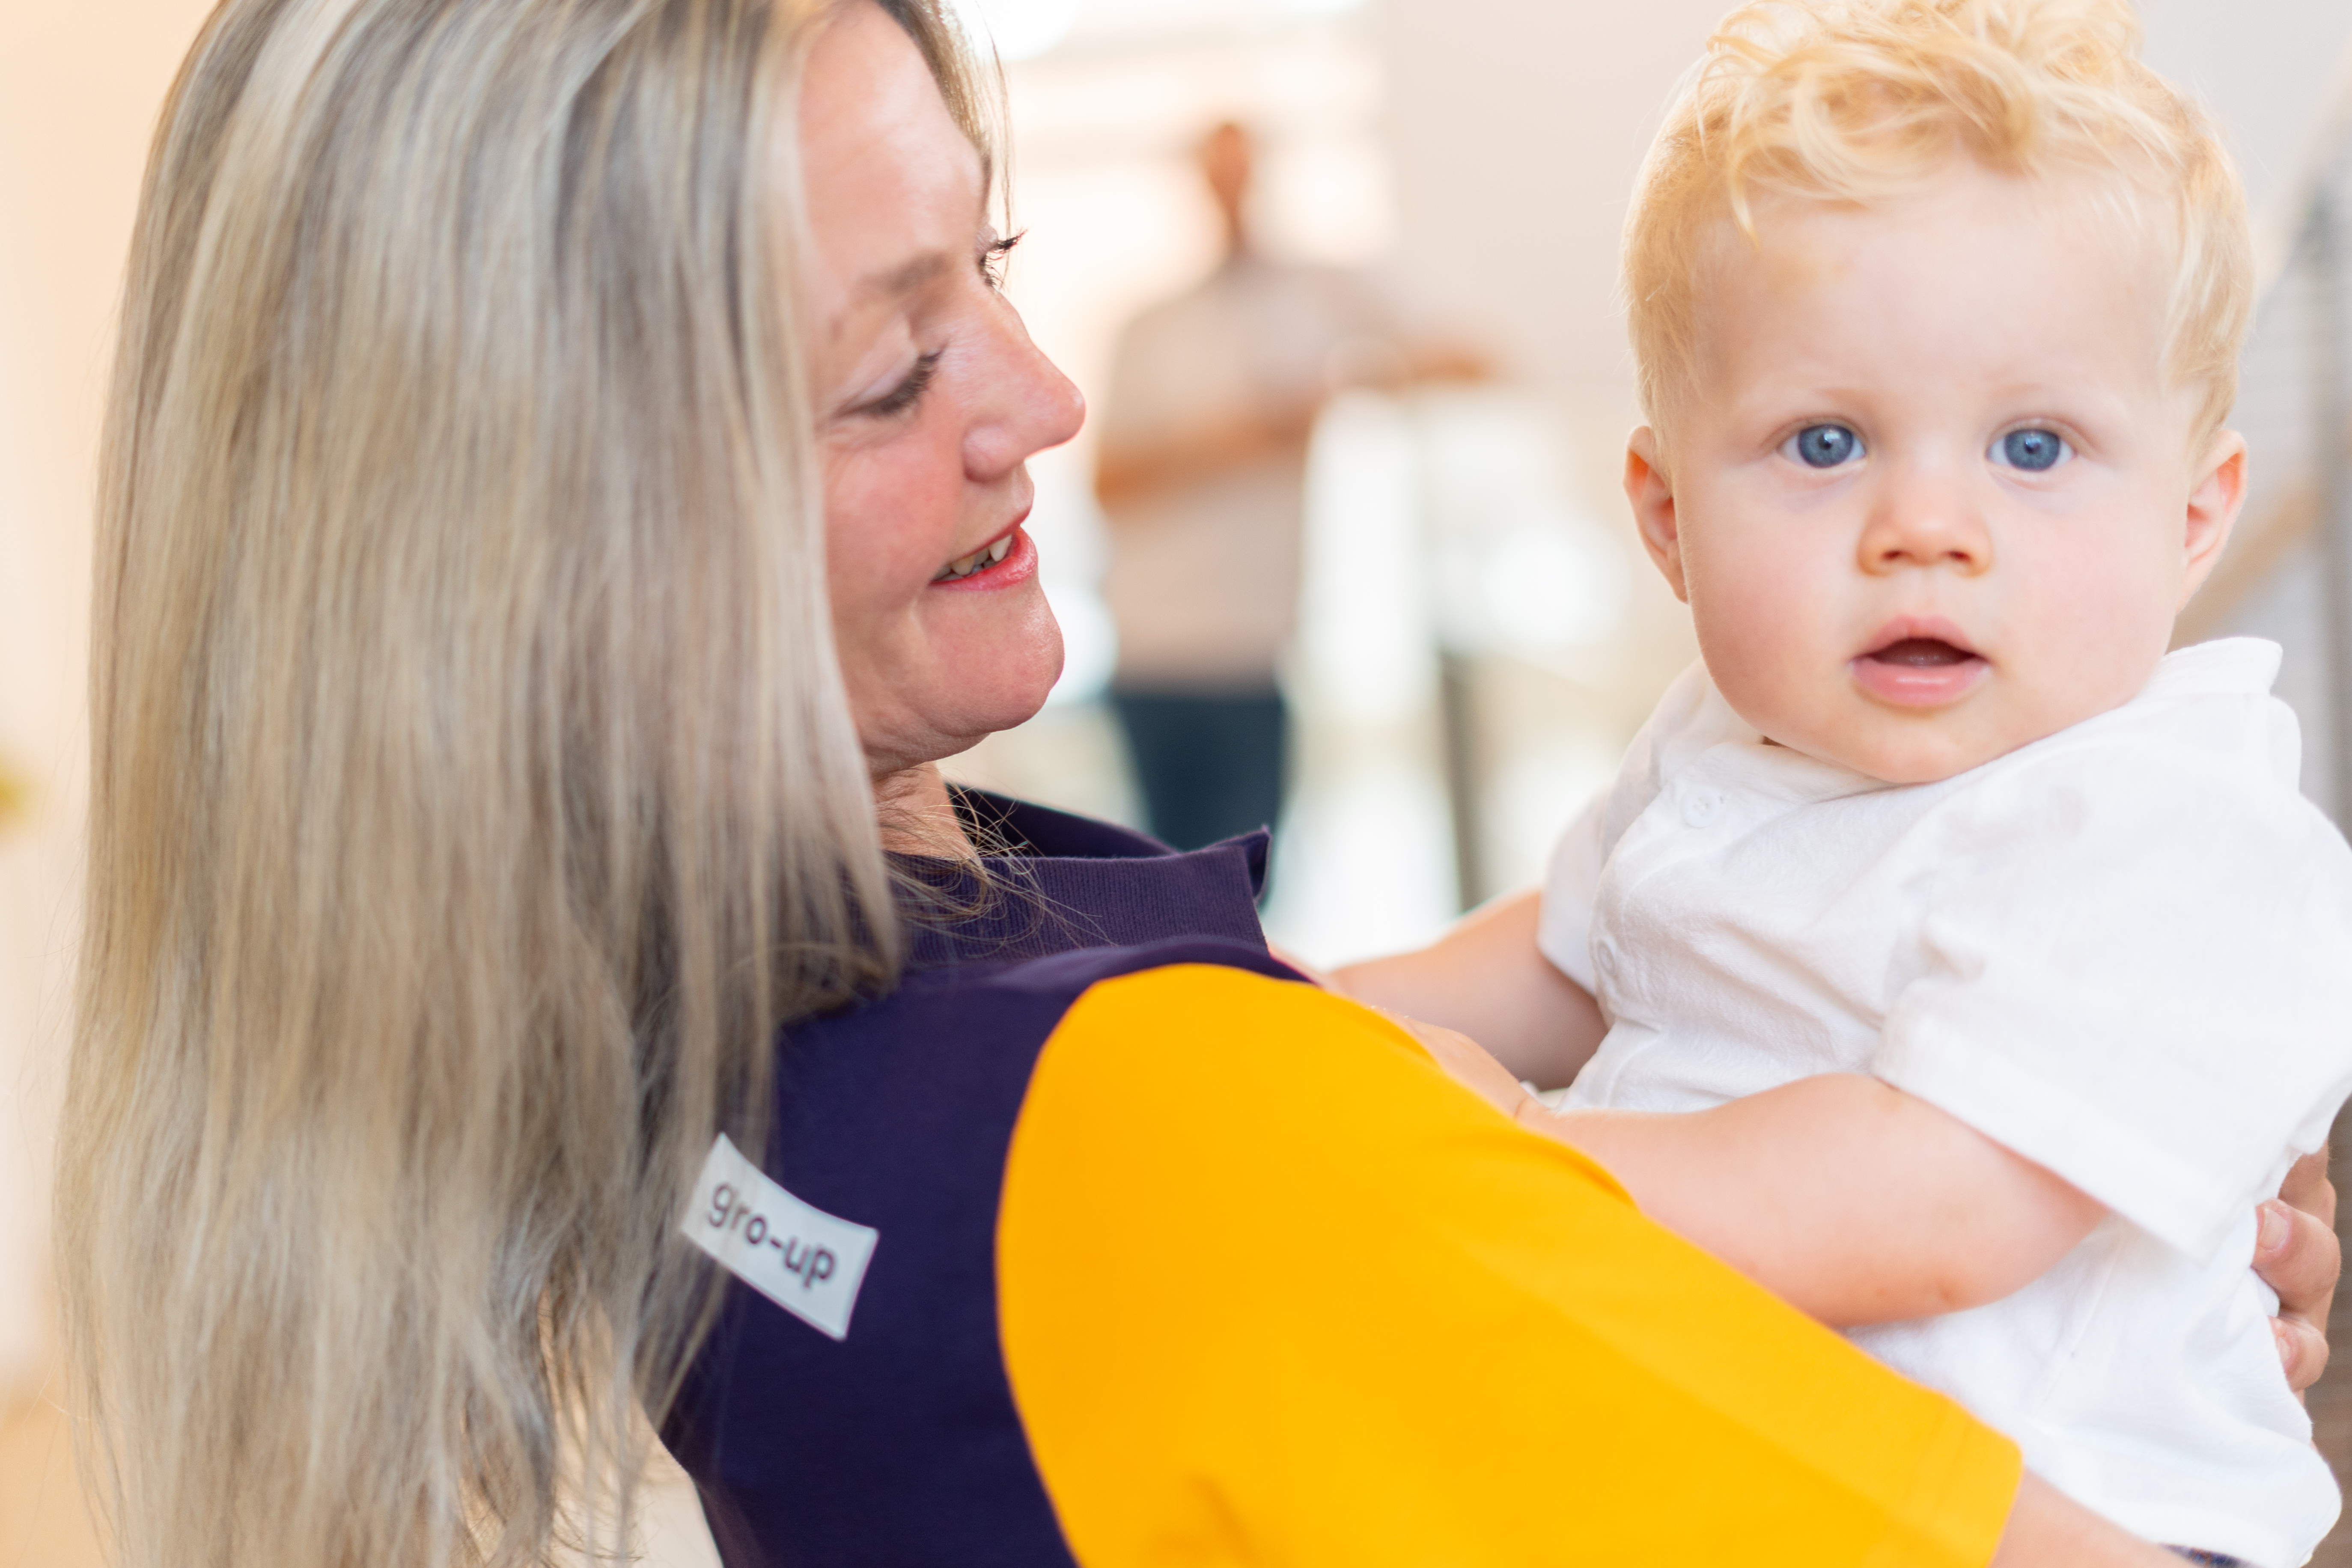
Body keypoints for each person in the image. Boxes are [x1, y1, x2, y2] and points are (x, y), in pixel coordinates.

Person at [52, 2, 2335, 1566]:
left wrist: (2127, 1257)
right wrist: (1460, 1164)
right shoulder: (1173, 1136)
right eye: (886, 371)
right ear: (566, 526)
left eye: (1000, 268)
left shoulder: (734, 1088)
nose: (1042, 397)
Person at [1337, 2, 2352, 1563]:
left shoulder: (2175, 828)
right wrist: (1294, 1015)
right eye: (1824, 442)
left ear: (2194, 514)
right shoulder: (1725, 753)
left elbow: (1935, 1206)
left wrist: (1512, 1158)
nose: (1924, 525)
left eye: (2033, 447)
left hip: (2070, 1514)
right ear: (1667, 517)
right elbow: (1565, 958)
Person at [1093, 121, 1475, 852]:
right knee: (1165, 871)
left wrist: (1352, 385)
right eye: (1215, 172)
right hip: (1151, 646)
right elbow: (1108, 480)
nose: (1231, 188)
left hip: (1252, 646)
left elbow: (1467, 360)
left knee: (1246, 881)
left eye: (1243, 169)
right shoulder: (1149, 325)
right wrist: (1242, 434)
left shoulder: (1319, 297)